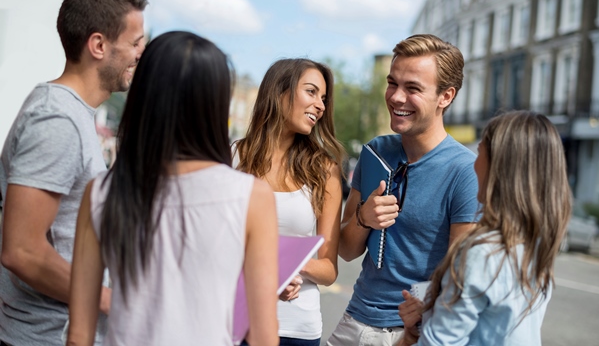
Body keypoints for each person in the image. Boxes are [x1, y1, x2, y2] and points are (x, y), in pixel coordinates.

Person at [67, 31, 280, 346]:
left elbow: (79, 336)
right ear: (214, 105)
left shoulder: (101, 192)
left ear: (144, 96)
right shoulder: (251, 196)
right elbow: (264, 337)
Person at [0, 0, 147, 345]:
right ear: (98, 45)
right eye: (134, 42)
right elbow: (21, 250)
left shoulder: (75, 113)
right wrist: (110, 299)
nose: (139, 53)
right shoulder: (58, 119)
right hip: (43, 336)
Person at [327, 34, 480, 345]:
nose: (396, 97)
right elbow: (346, 250)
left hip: (410, 333)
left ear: (446, 96)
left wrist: (412, 336)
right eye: (392, 83)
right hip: (353, 320)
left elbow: (459, 278)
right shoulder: (377, 151)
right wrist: (363, 218)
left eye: (413, 88)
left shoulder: (466, 171)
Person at [397, 110, 571, 345]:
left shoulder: (481, 254)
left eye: (479, 152)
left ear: (499, 168)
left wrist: (411, 336)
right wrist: (432, 315)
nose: (474, 164)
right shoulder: (535, 247)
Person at [235, 58, 345, 345]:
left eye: (323, 98)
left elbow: (329, 269)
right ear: (279, 91)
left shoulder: (325, 170)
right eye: (311, 92)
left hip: (296, 328)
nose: (321, 105)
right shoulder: (232, 157)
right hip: (235, 317)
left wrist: (292, 265)